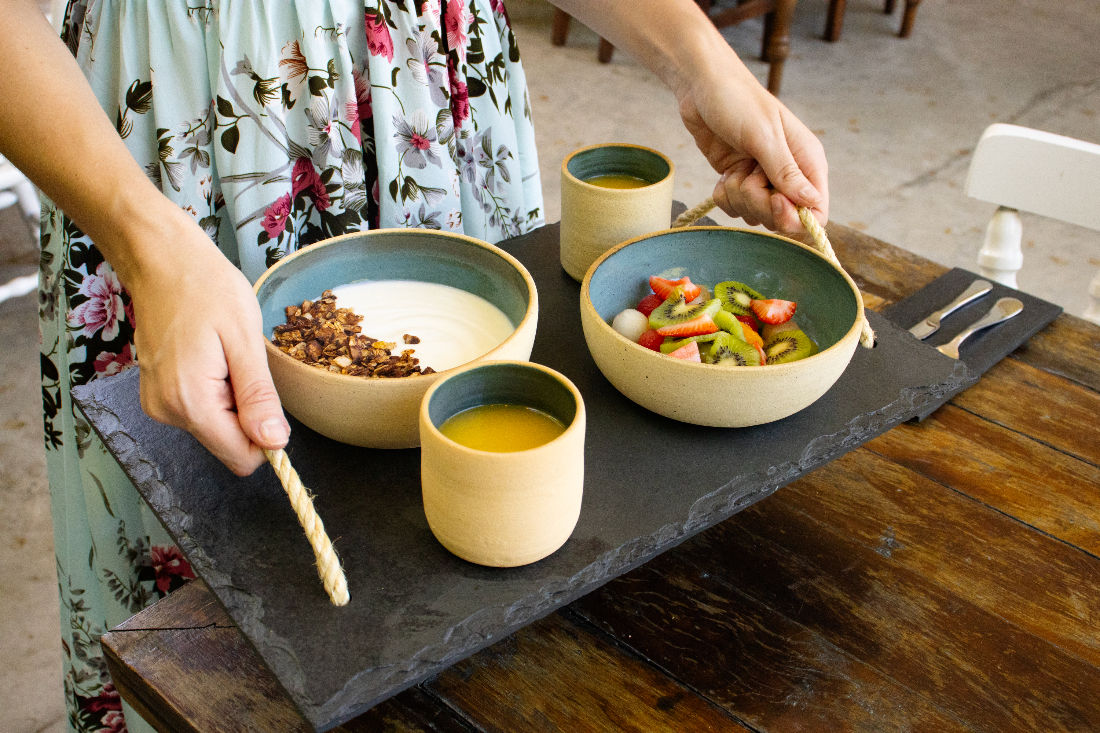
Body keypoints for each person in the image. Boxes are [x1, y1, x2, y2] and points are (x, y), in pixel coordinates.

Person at [0, 0, 827, 730]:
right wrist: (146, 241)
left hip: (436, 112)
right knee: (224, 622)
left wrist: (698, 59)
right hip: (174, 147)